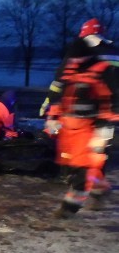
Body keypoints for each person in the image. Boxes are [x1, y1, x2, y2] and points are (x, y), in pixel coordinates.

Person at [43, 18, 119, 217]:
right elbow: (63, 91)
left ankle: (69, 208)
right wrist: (53, 115)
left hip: (94, 123)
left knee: (85, 164)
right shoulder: (106, 55)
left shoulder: (96, 68)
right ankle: (99, 188)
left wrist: (105, 125)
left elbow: (59, 86)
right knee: (84, 161)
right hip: (76, 123)